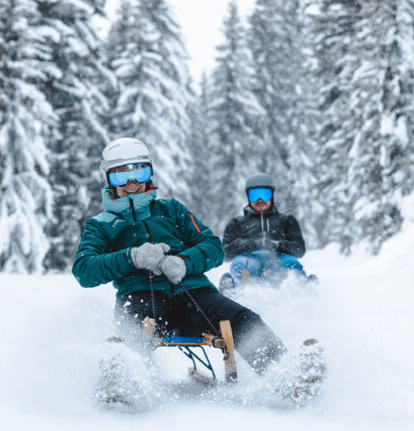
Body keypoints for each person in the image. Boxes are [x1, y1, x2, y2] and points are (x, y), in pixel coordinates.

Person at [72, 138, 286, 373]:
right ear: (109, 179)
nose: (132, 183)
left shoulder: (171, 210)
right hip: (140, 297)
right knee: (130, 331)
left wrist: (184, 263)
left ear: (149, 173)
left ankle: (284, 371)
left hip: (193, 295)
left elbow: (213, 246)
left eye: (140, 173)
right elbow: (84, 270)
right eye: (121, 176)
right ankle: (120, 379)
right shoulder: (101, 224)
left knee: (243, 319)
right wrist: (131, 258)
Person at [221, 173, 309, 288]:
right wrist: (249, 244)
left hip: (279, 257)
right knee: (240, 265)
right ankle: (238, 295)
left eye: (264, 195)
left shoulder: (287, 221)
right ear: (248, 197)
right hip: (249, 258)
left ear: (272, 196)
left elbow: (299, 249)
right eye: (254, 196)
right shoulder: (237, 223)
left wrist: (277, 245)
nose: (260, 200)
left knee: (291, 264)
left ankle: (302, 292)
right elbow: (224, 253)